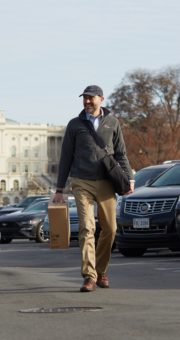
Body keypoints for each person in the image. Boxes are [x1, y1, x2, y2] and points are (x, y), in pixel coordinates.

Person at [53, 85, 134, 292]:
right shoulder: (75, 125)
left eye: (91, 98)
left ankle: (101, 270)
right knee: (87, 228)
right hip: (82, 182)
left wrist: (129, 179)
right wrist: (59, 189)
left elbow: (121, 154)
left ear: (101, 99)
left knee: (111, 229)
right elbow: (66, 158)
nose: (87, 102)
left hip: (107, 182)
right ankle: (89, 276)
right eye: (85, 98)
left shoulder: (113, 123)